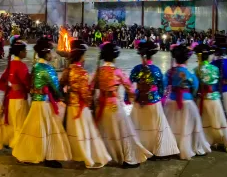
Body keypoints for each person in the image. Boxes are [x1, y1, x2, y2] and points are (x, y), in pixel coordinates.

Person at [12, 37, 72, 168]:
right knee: (49, 129)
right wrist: (64, 98)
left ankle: (30, 153)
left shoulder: (36, 66)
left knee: (35, 129)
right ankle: (49, 156)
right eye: (51, 52)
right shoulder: (48, 69)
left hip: (35, 102)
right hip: (45, 103)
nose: (53, 55)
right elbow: (56, 88)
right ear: (46, 53)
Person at [94, 42, 151, 168]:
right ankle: (127, 158)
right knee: (123, 132)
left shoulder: (99, 71)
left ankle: (103, 156)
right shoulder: (117, 72)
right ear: (115, 57)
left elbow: (92, 87)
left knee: (103, 131)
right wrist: (132, 98)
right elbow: (130, 88)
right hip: (114, 106)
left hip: (101, 107)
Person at [60, 39, 111, 169]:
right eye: (84, 55)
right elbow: (85, 93)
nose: (85, 58)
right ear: (80, 56)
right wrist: (91, 103)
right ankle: (86, 156)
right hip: (81, 107)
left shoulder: (68, 70)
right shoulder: (82, 73)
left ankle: (74, 153)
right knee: (85, 132)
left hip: (71, 106)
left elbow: (60, 85)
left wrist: (65, 97)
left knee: (73, 131)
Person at [129, 40, 179, 159]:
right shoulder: (156, 70)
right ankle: (160, 151)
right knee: (158, 126)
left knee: (137, 125)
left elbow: (130, 83)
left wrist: (128, 97)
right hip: (153, 102)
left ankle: (139, 148)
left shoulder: (136, 69)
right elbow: (161, 87)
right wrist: (161, 98)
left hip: (139, 101)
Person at [166, 44, 211, 160]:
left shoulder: (170, 72)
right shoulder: (189, 74)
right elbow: (195, 86)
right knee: (188, 124)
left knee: (172, 124)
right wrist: (192, 95)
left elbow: (164, 83)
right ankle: (187, 146)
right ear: (187, 59)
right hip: (187, 101)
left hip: (171, 100)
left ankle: (171, 146)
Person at [194, 44, 227, 153]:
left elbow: (196, 86)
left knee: (204, 122)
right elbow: (218, 84)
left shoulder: (196, 69)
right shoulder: (214, 68)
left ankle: (205, 143)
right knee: (220, 121)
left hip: (201, 99)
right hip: (213, 98)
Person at [0, 36, 30, 148]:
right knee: (20, 124)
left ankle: (13, 143)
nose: (26, 53)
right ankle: (19, 147)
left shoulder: (10, 64)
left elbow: (2, 80)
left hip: (11, 98)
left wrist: (11, 86)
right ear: (21, 52)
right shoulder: (21, 66)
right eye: (25, 51)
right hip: (19, 98)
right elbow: (27, 83)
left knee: (13, 122)